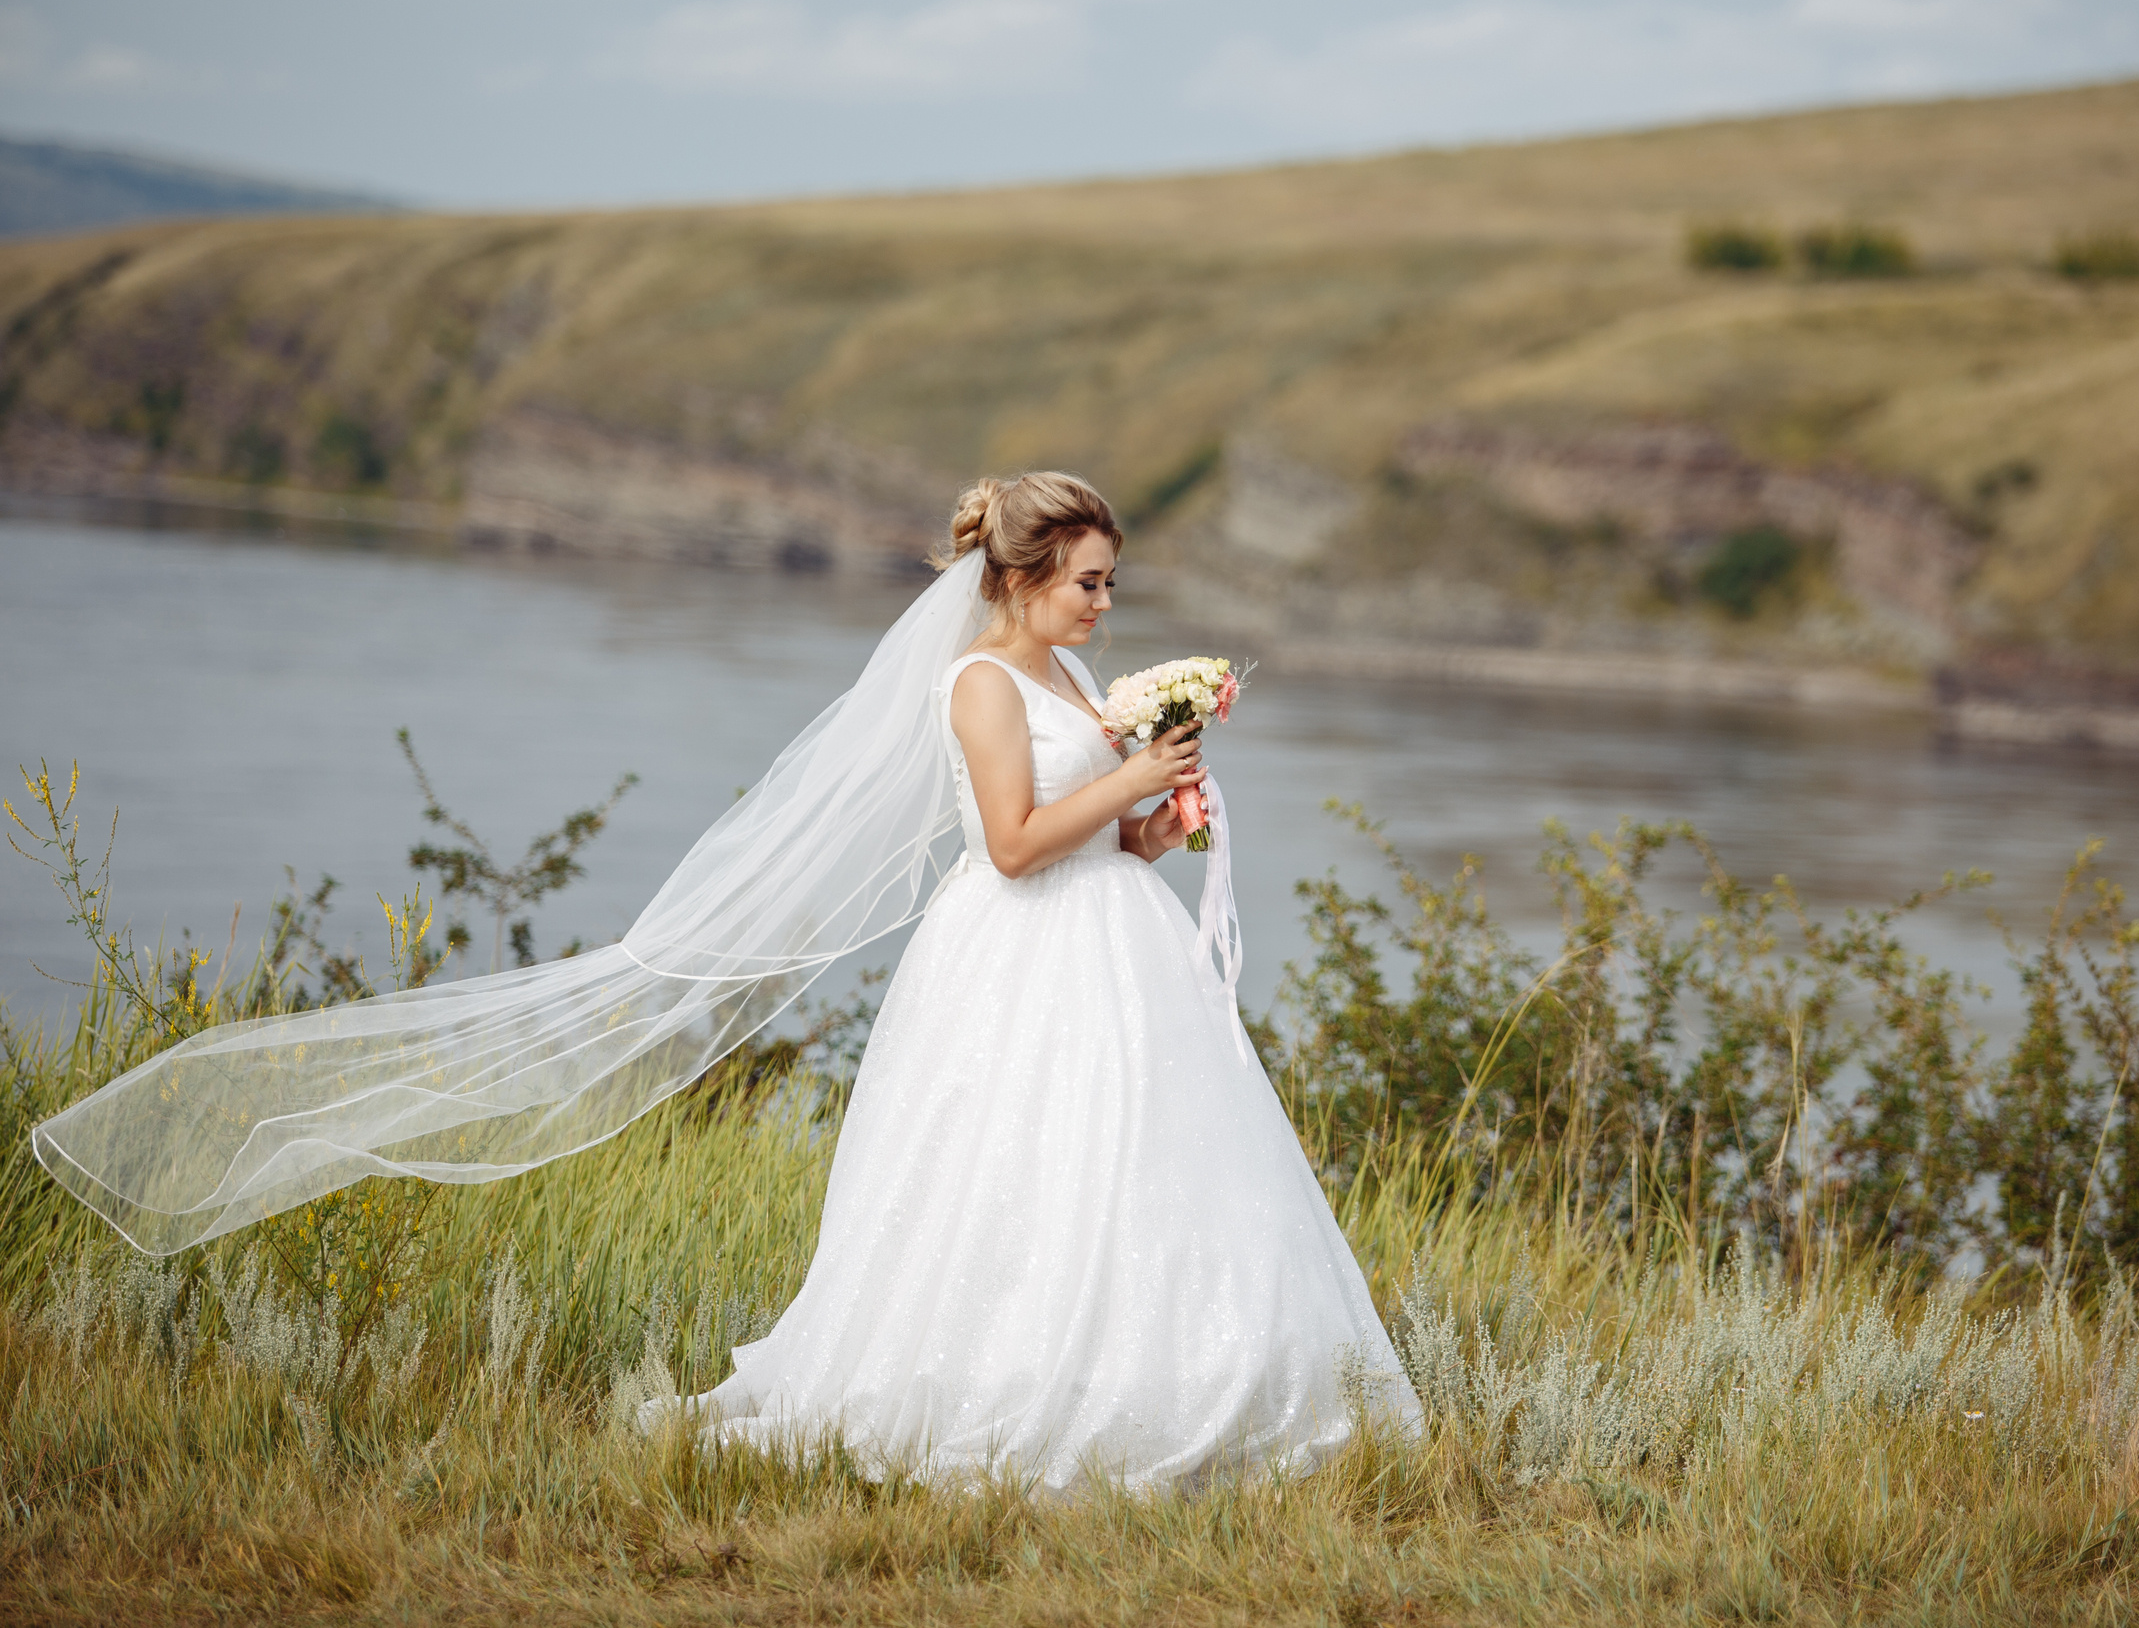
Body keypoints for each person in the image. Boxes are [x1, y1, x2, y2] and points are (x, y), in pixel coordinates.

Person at [32, 468, 1416, 1491]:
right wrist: (1124, 774)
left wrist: (1160, 816)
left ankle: (1185, 1379)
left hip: (1115, 954)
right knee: (1017, 1172)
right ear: (1013, 579)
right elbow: (1004, 849)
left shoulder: (1075, 681)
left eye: (1110, 582)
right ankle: (1007, 1385)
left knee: (1141, 1173)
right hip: (1022, 959)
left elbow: (1098, 840)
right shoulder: (986, 688)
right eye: (1085, 581)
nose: (1104, 602)